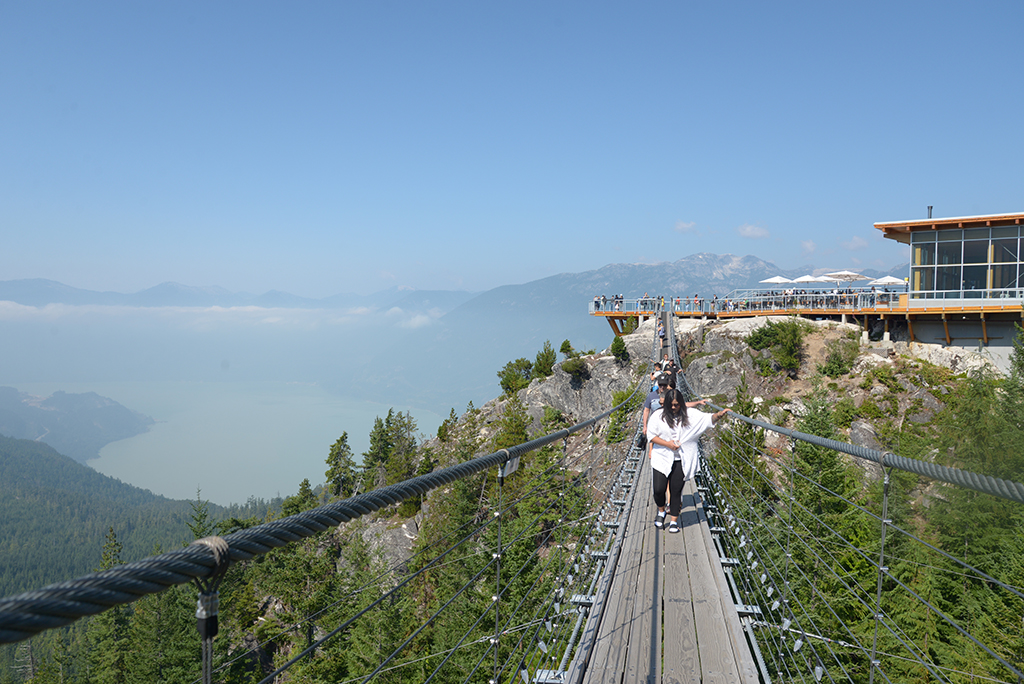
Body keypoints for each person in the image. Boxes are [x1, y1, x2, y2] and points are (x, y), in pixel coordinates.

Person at [646, 389, 728, 532]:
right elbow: (651, 436)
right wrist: (668, 444)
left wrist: (719, 415)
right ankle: (661, 511)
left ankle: (673, 521)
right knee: (658, 490)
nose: (673, 407)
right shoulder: (658, 415)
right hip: (662, 457)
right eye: (670, 405)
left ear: (682, 404)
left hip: (682, 459)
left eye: (676, 405)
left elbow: (708, 419)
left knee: (676, 490)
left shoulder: (691, 415)